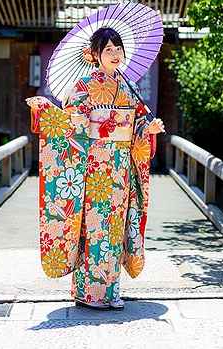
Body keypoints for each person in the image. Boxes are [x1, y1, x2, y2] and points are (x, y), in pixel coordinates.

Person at [26, 27, 165, 310]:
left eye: (118, 49)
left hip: (121, 167)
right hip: (94, 166)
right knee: (93, 227)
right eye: (108, 50)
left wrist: (147, 128)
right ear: (95, 54)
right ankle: (89, 292)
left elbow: (136, 124)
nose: (115, 54)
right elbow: (71, 123)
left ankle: (111, 290)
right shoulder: (84, 85)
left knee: (115, 227)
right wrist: (46, 110)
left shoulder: (129, 87)